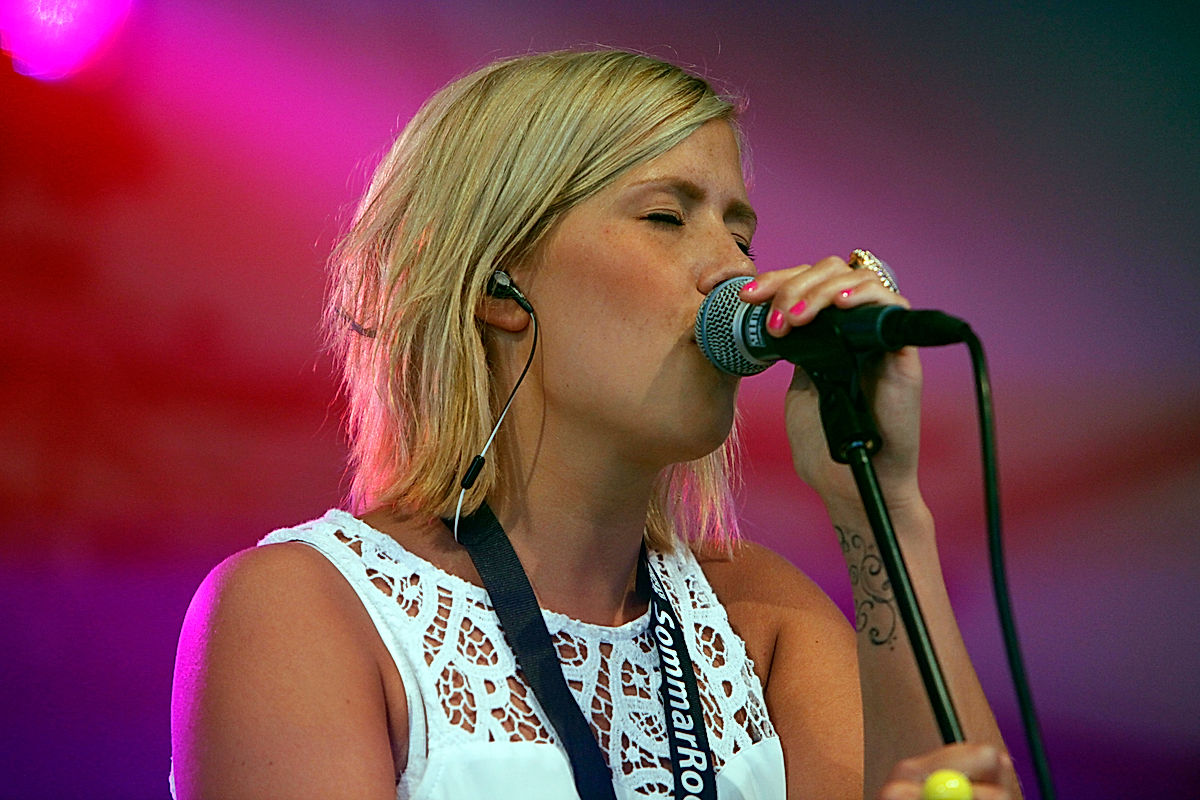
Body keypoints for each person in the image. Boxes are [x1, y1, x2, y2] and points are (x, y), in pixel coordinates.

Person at [170, 49, 1021, 799]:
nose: (734, 271)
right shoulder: (305, 610)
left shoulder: (762, 615)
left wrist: (880, 501)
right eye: (666, 217)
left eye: (741, 233)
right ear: (496, 283)